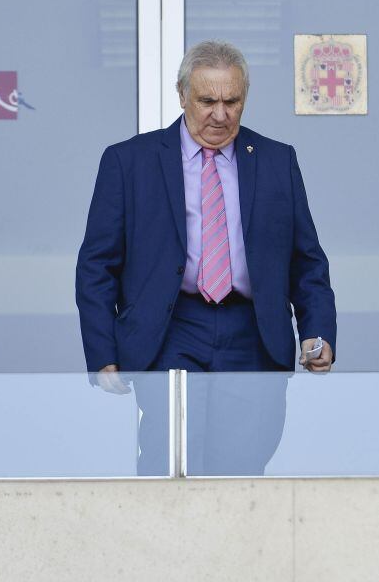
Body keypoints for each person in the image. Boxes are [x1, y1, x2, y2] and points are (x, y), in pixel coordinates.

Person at [76, 39, 337, 474]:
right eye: (207, 101)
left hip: (252, 332)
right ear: (182, 96)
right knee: (173, 459)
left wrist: (318, 331)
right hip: (172, 329)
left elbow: (306, 260)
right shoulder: (129, 162)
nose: (220, 114)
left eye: (232, 101)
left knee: (243, 467)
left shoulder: (276, 161)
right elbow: (97, 265)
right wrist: (103, 351)